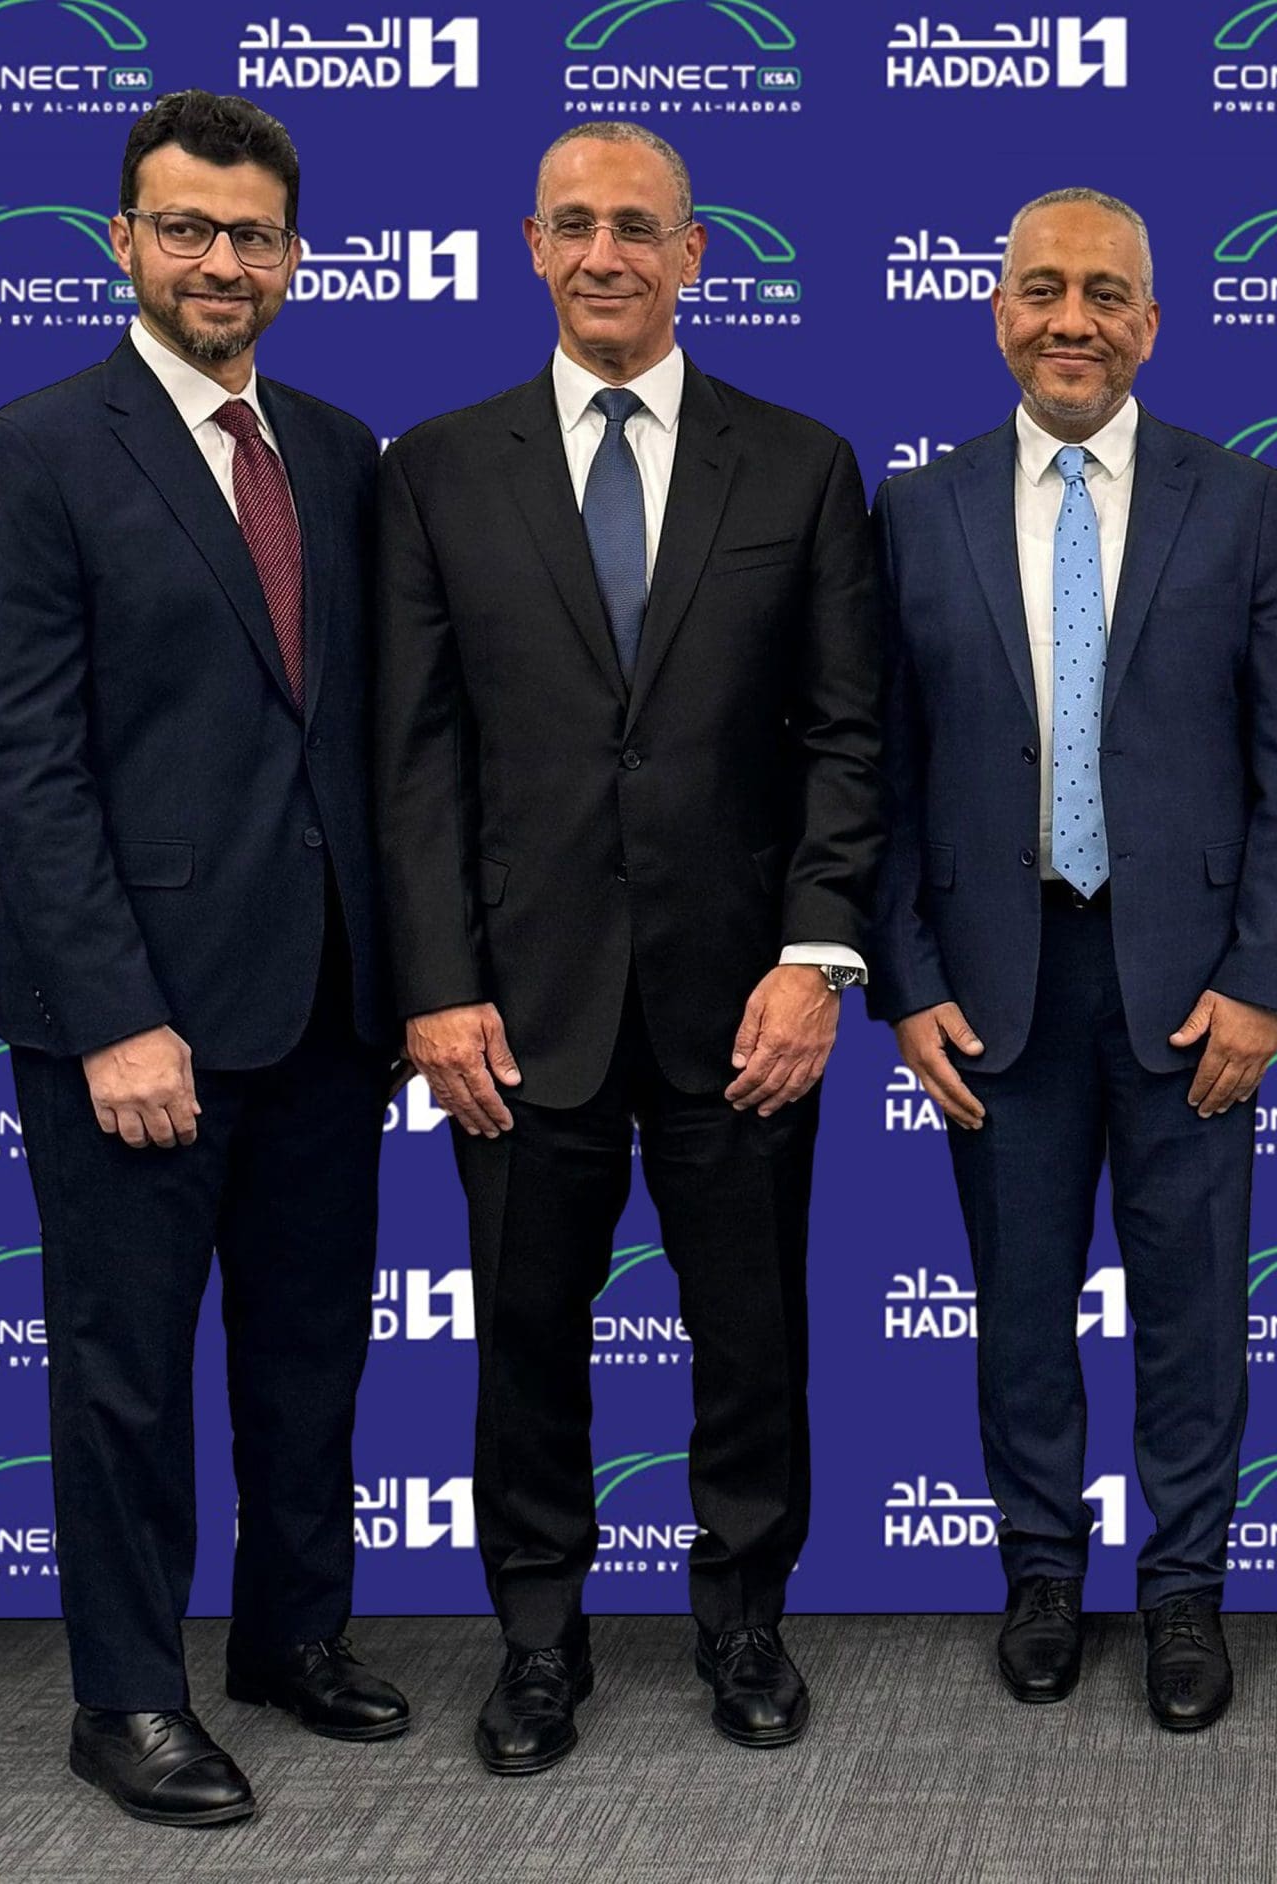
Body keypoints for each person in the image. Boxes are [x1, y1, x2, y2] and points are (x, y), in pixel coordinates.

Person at [372, 122, 884, 1773]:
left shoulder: (800, 464)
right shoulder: (437, 468)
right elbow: (415, 755)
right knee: (526, 1339)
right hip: (520, 1009)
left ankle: (744, 1616)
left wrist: (816, 956)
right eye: (576, 226)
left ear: (694, 253)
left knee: (753, 1335)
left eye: (640, 228)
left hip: (746, 1005)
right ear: (531, 246)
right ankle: (538, 1640)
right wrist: (437, 987)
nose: (607, 255)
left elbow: (848, 739)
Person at [0, 91, 406, 1827]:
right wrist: (118, 1019)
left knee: (308, 1357)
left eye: (253, 234)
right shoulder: (36, 451)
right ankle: (127, 1697)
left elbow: (358, 738)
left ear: (294, 257)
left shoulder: (343, 452)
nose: (222, 260)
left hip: (323, 1003)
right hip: (132, 1020)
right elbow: (29, 765)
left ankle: (292, 1638)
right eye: (188, 228)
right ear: (124, 241)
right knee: (125, 1374)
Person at [869, 187, 1277, 1733]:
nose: (1071, 320)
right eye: (1042, 289)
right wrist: (906, 979)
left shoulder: (1245, 502)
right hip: (993, 988)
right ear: (997, 309)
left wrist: (1268, 979)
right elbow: (876, 771)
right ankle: (1042, 1575)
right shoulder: (917, 511)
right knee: (1019, 1306)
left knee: (1196, 1309)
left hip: (1192, 990)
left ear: (1153, 321)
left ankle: (1186, 1588)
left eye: (1105, 294)